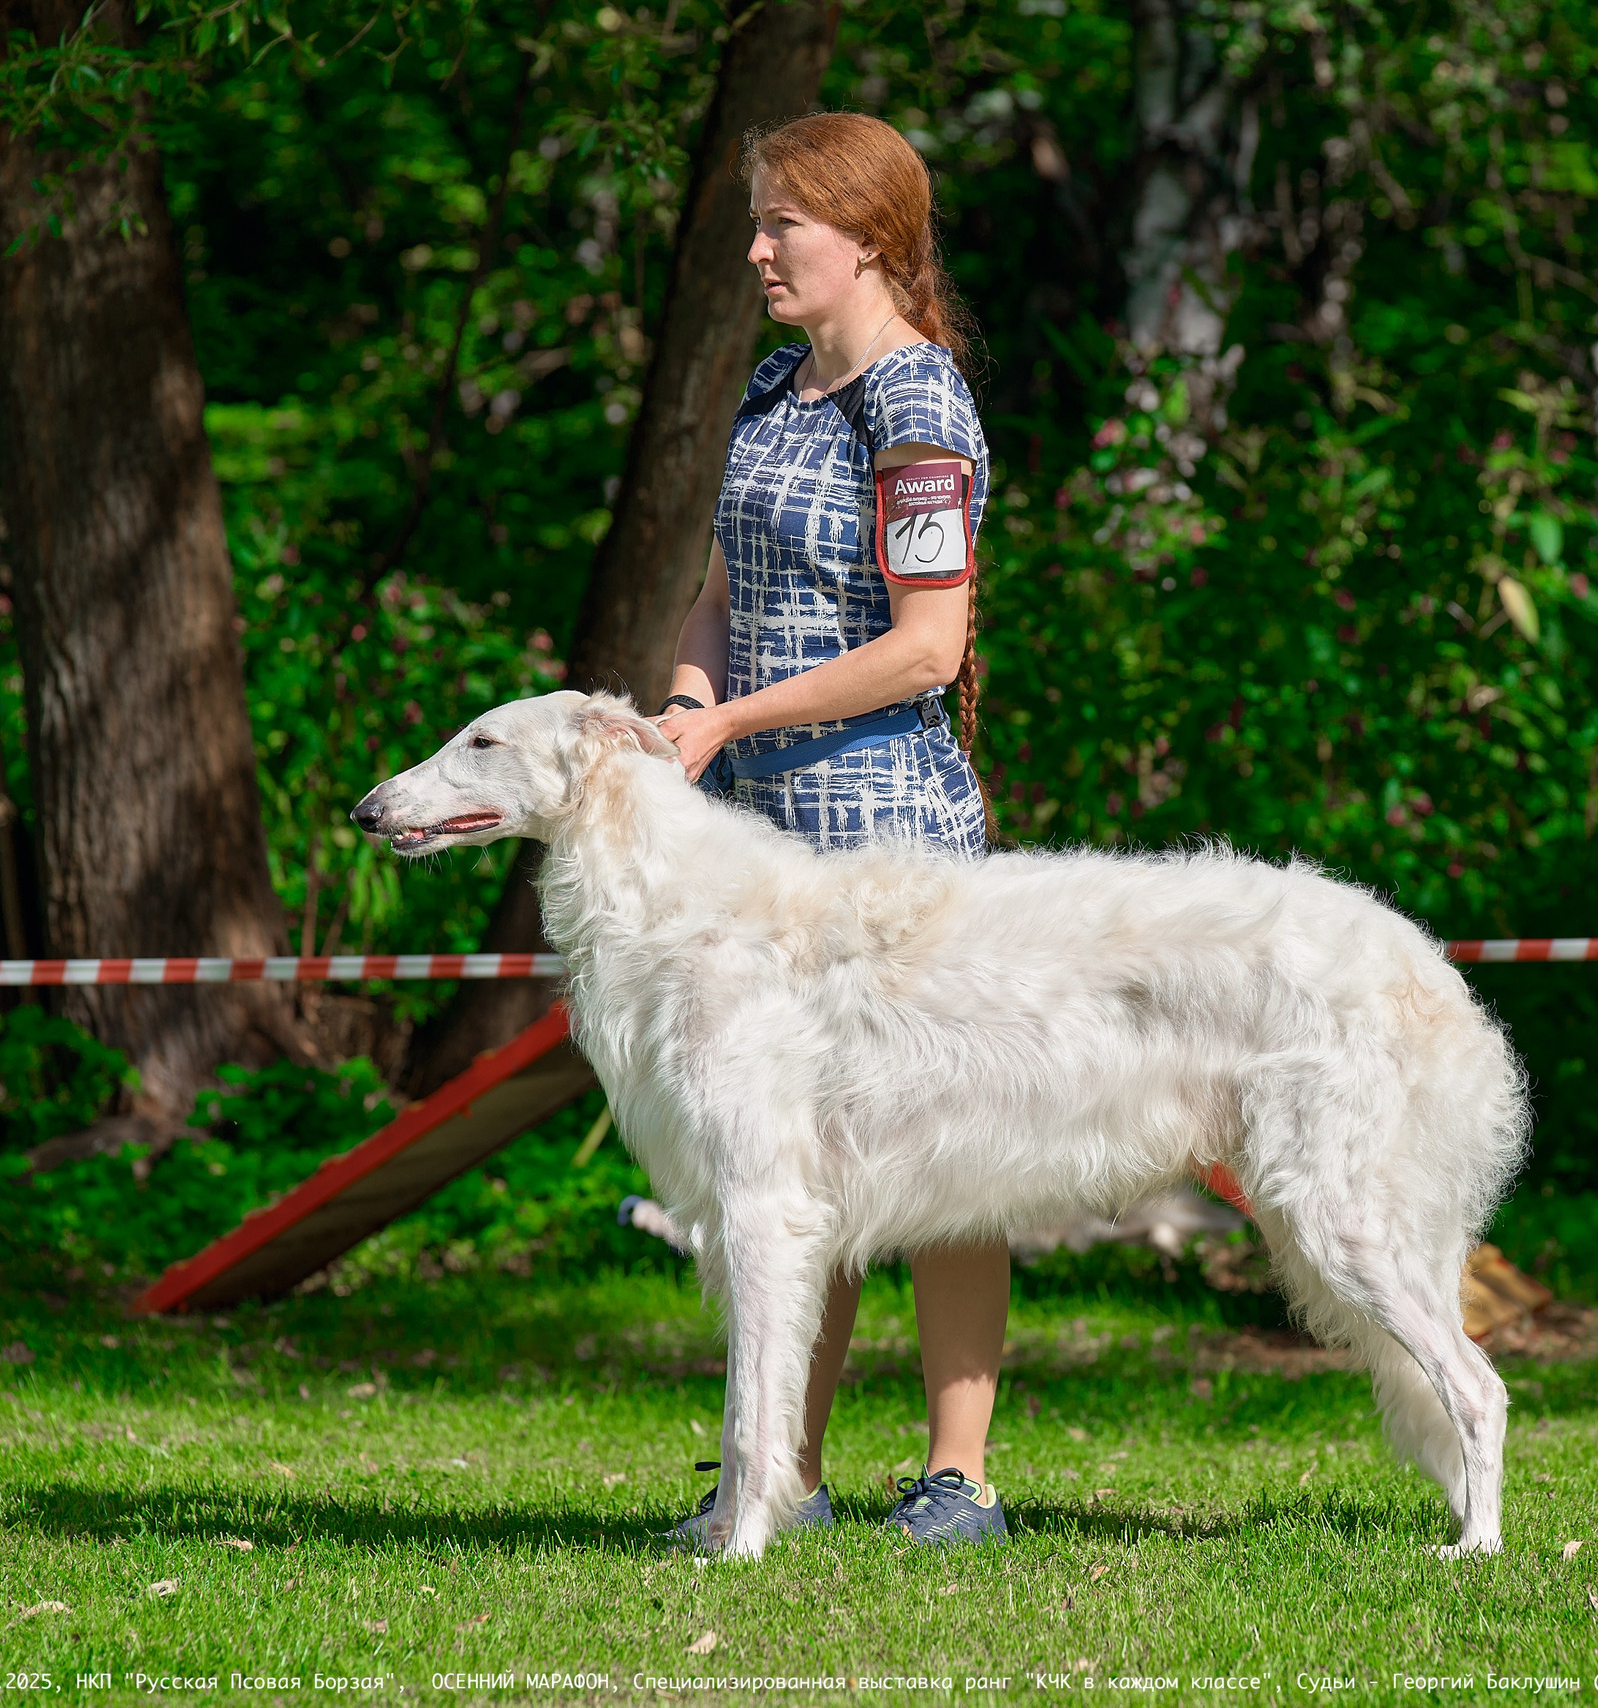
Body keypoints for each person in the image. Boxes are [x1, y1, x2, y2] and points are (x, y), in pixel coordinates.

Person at [651, 112, 1008, 1548]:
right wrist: (685, 703)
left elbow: (930, 649)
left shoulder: (918, 408)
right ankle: (774, 1474)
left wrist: (734, 723)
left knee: (939, 1163)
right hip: (758, 846)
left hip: (892, 849)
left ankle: (960, 1481)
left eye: (779, 225)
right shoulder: (771, 388)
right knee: (791, 1158)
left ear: (868, 235)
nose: (753, 251)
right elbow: (718, 587)